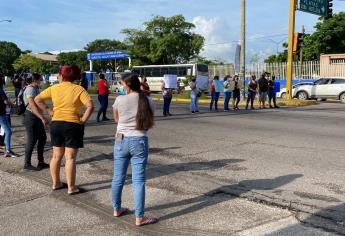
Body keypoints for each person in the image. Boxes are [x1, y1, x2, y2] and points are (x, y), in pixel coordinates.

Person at [35, 65, 94, 194]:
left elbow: (37, 99)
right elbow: (90, 106)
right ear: (75, 77)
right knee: (70, 157)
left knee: (56, 156)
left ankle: (56, 183)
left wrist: (49, 110)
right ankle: (71, 187)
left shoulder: (54, 88)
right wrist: (83, 120)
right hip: (73, 124)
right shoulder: (79, 89)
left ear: (61, 76)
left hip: (56, 123)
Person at [112, 73, 158, 226]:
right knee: (138, 181)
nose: (120, 86)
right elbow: (150, 117)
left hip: (121, 139)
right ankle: (139, 217)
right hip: (139, 139)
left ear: (127, 85)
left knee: (118, 177)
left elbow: (116, 119)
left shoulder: (119, 100)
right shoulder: (147, 100)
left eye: (121, 84)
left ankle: (116, 209)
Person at [23, 73, 49, 171]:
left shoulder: (36, 88)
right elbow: (32, 106)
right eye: (40, 79)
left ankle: (41, 162)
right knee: (32, 140)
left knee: (42, 138)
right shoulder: (30, 89)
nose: (41, 81)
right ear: (35, 80)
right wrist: (42, 117)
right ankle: (27, 164)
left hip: (36, 117)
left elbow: (40, 102)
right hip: (31, 117)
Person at [0, 71, 17, 158]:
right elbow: (6, 101)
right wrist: (13, 104)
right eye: (2, 77)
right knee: (8, 131)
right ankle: (7, 151)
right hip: (1, 113)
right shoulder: (0, 90)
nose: (3, 79)